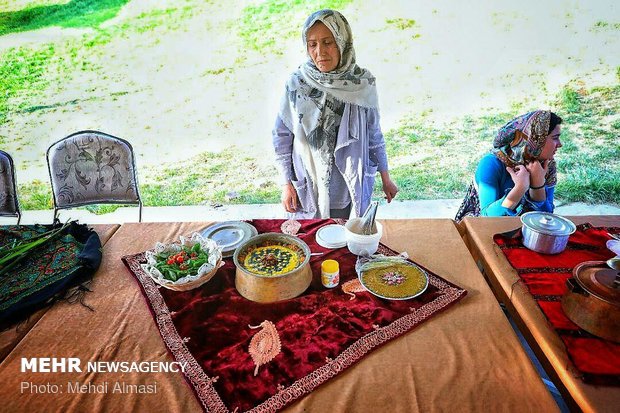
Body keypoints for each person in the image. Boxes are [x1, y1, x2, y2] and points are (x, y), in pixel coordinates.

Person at [272, 9, 398, 219]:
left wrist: (386, 178)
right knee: (310, 245)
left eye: (328, 42)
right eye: (312, 44)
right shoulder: (296, 84)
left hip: (347, 190)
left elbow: (374, 135)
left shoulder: (362, 84)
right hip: (308, 189)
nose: (320, 52)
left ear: (342, 41)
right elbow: (281, 136)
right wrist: (286, 184)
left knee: (346, 244)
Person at [455, 110, 563, 221]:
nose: (560, 144)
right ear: (536, 139)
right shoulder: (491, 163)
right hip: (482, 231)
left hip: (522, 231)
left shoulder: (546, 165)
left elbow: (547, 218)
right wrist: (520, 188)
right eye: (555, 138)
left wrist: (537, 186)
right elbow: (487, 218)